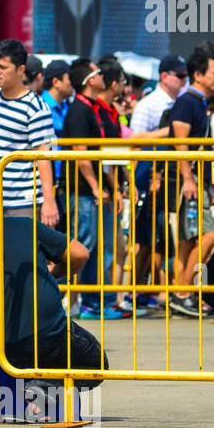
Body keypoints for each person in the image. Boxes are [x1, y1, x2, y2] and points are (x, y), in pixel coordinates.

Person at [0, 219, 103, 416]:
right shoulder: (22, 225)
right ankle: (44, 389)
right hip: (47, 333)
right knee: (97, 363)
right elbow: (80, 253)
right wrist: (53, 274)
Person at [62, 58, 123, 319]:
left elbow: (101, 154)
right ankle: (66, 298)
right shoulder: (79, 109)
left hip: (96, 191)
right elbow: (81, 154)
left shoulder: (94, 108)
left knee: (102, 248)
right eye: (99, 73)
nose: (103, 77)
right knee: (83, 246)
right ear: (90, 80)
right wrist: (97, 187)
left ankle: (99, 300)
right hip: (83, 191)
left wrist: (111, 188)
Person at [0, 39, 58, 225]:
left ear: (21, 70)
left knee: (22, 254)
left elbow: (43, 154)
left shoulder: (35, 106)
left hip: (24, 204)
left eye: (3, 67)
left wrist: (49, 201)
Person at [169, 47, 214, 317]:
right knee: (208, 235)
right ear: (199, 74)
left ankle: (181, 292)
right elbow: (181, 142)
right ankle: (182, 291)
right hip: (187, 183)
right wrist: (188, 179)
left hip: (195, 182)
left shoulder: (198, 102)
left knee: (189, 241)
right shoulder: (187, 101)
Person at [129, 54, 186, 136]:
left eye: (187, 75)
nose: (185, 80)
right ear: (164, 76)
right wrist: (169, 131)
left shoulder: (184, 102)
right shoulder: (146, 105)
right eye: (180, 76)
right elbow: (135, 143)